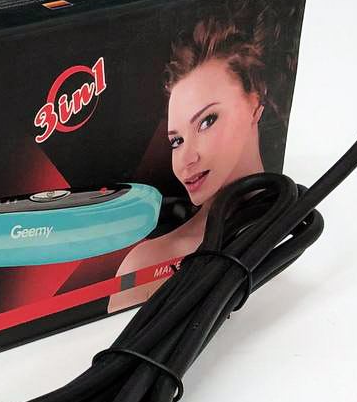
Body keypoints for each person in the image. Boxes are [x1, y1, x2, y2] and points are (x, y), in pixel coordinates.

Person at [109, 16, 270, 312]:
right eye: (177, 141)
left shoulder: (286, 224)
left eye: (207, 121)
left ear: (255, 101)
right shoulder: (144, 263)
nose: (186, 159)